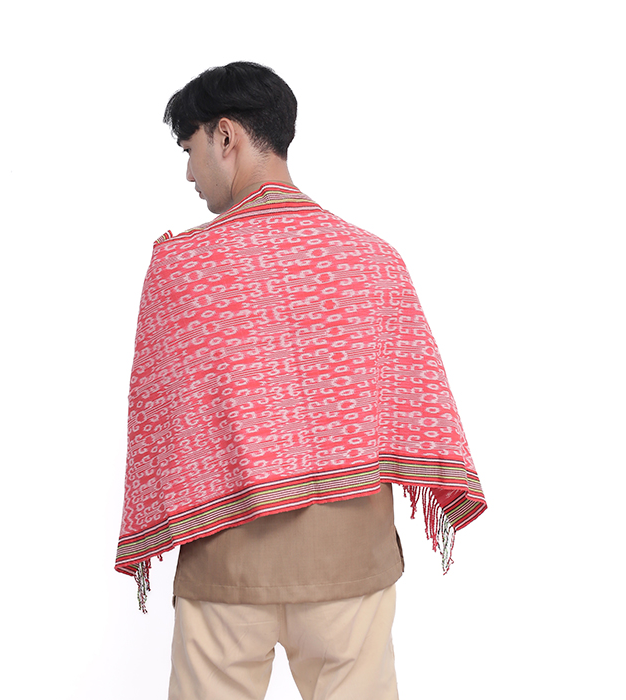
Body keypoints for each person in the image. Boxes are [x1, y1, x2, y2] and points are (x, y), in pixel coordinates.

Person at [116, 61, 486, 700]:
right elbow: (416, 403)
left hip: (226, 566)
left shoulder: (181, 267)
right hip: (351, 563)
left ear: (225, 136)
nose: (189, 173)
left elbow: (162, 425)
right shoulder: (374, 259)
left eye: (189, 148)